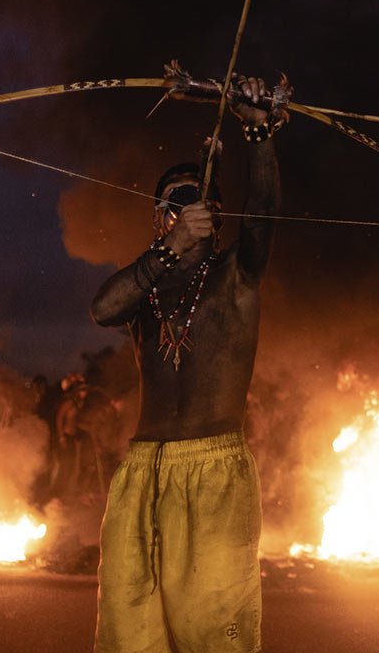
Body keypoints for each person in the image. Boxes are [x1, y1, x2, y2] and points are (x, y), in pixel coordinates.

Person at [89, 74, 282, 653]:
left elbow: (264, 216)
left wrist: (260, 136)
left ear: (217, 213)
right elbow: (101, 308)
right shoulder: (145, 290)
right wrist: (166, 253)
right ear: (159, 215)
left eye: (201, 197)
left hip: (214, 471)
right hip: (142, 471)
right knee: (131, 625)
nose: (191, 204)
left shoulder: (236, 278)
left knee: (212, 627)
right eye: (177, 197)